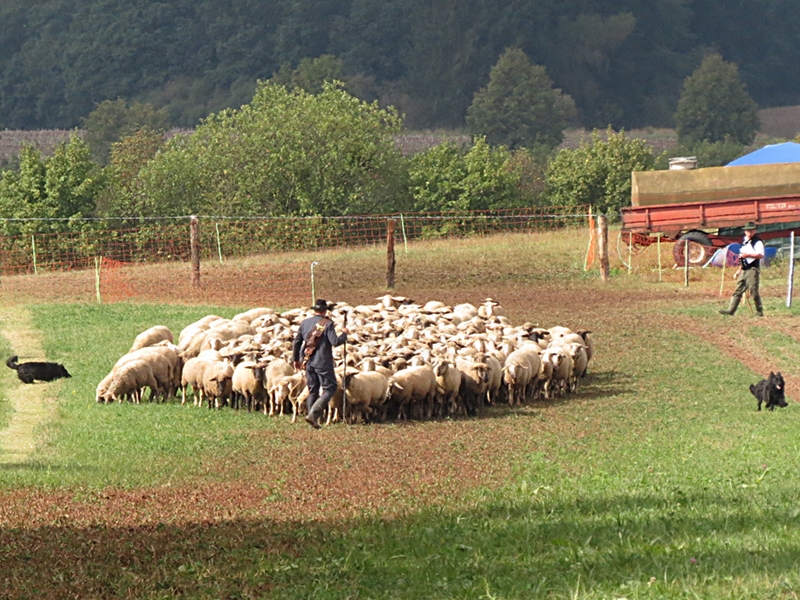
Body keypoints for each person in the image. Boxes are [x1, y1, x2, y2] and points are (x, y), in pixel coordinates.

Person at [292, 298, 349, 428]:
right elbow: (335, 342)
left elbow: (297, 342)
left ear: (315, 310)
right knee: (329, 388)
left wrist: (296, 359)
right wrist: (344, 334)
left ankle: (313, 421)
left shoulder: (305, 323)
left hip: (307, 360)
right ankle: (313, 415)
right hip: (323, 361)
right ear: (324, 311)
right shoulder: (327, 324)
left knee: (313, 390)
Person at [719, 221, 765, 317]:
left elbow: (760, 255)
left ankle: (759, 311)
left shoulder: (757, 242)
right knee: (738, 290)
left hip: (752, 269)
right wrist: (739, 270)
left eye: (750, 230)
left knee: (753, 291)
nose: (748, 232)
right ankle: (730, 310)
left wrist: (748, 255)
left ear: (754, 231)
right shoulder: (744, 241)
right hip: (744, 269)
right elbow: (742, 257)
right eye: (747, 230)